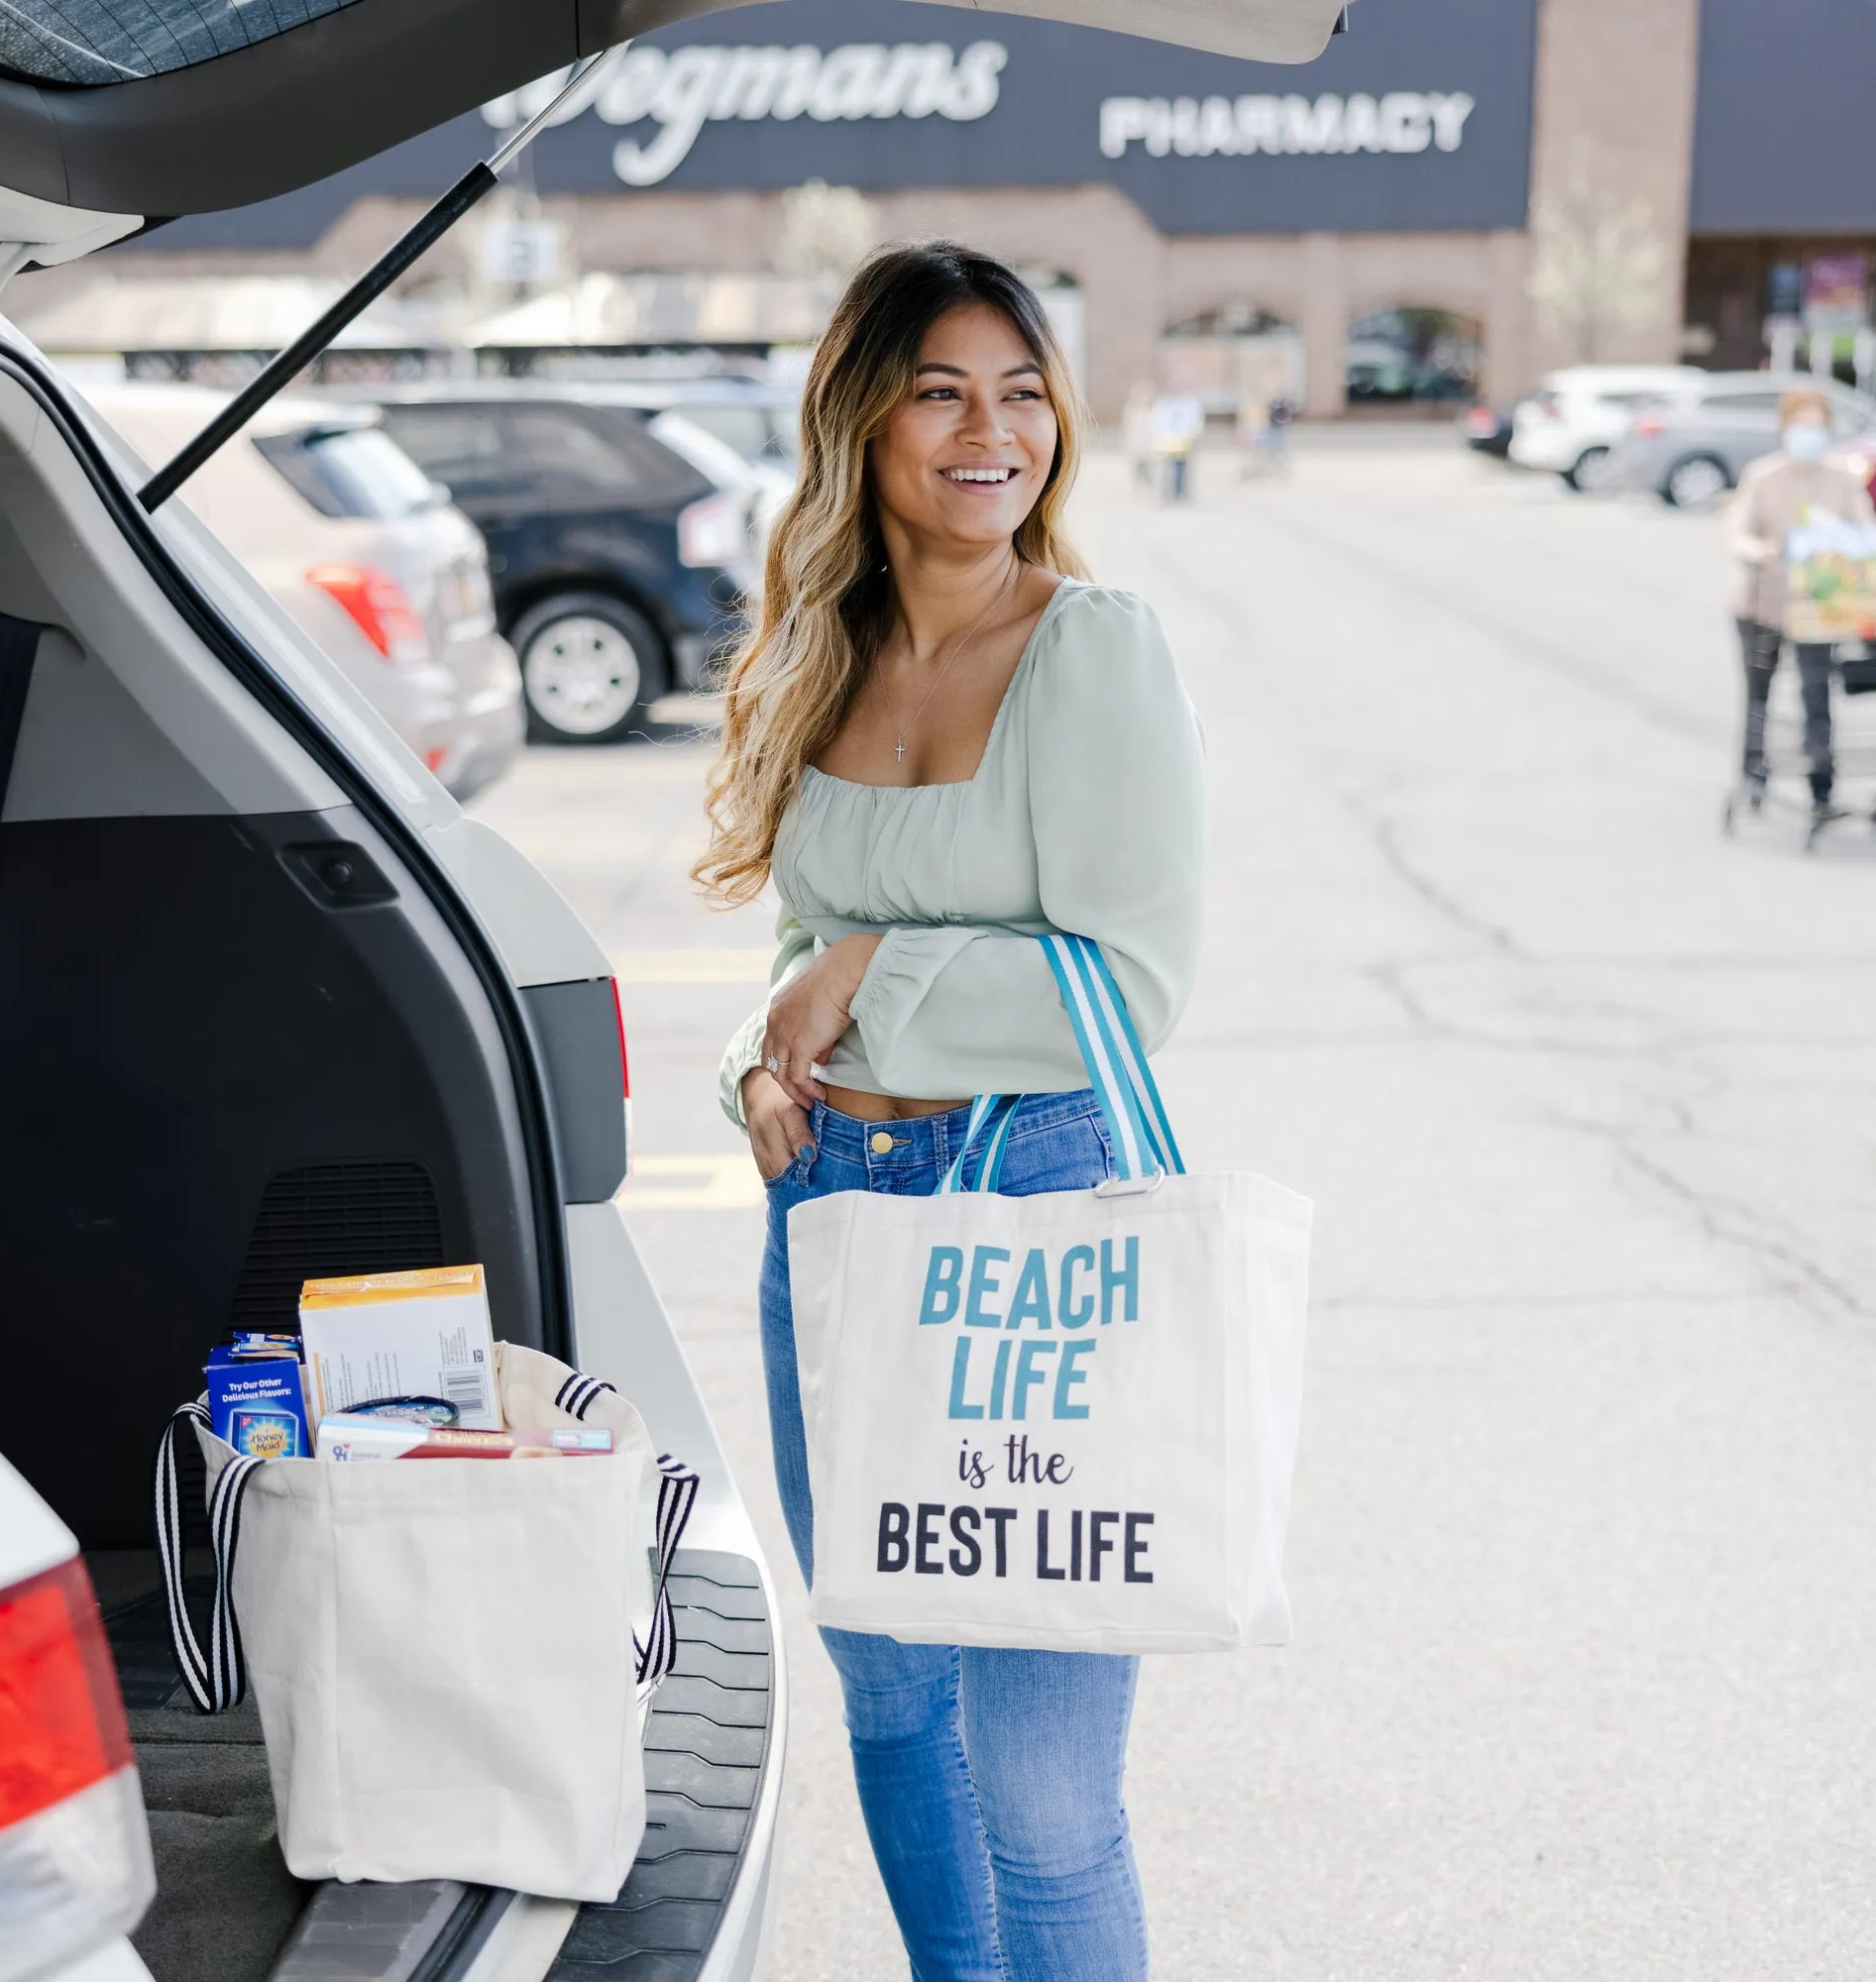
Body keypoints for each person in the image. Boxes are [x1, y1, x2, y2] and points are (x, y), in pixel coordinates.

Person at [696, 240, 1205, 1982]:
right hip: (832, 1206)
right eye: (940, 389)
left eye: (1021, 390)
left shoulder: (1090, 649)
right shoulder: (816, 653)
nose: (993, 430)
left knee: (1046, 1794)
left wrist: (870, 980)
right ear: (862, 419)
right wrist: (767, 1066)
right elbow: (798, 944)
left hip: (1036, 1213)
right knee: (899, 1707)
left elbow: (1127, 984)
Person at [1726, 387, 1875, 824]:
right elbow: (1736, 530)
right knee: (1760, 695)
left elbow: (1864, 533)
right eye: (1801, 426)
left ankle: (1822, 787)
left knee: (1816, 693)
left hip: (1817, 612)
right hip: (1763, 604)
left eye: (1816, 426)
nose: (1809, 435)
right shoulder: (1763, 476)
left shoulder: (1841, 480)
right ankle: (1754, 775)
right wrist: (1761, 550)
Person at [1148, 387, 1204, 502]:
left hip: (1181, 444)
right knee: (1166, 470)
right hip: (1166, 444)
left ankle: (1178, 492)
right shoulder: (1163, 406)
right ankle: (1169, 493)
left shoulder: (1186, 405)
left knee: (1180, 469)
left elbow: (1193, 424)